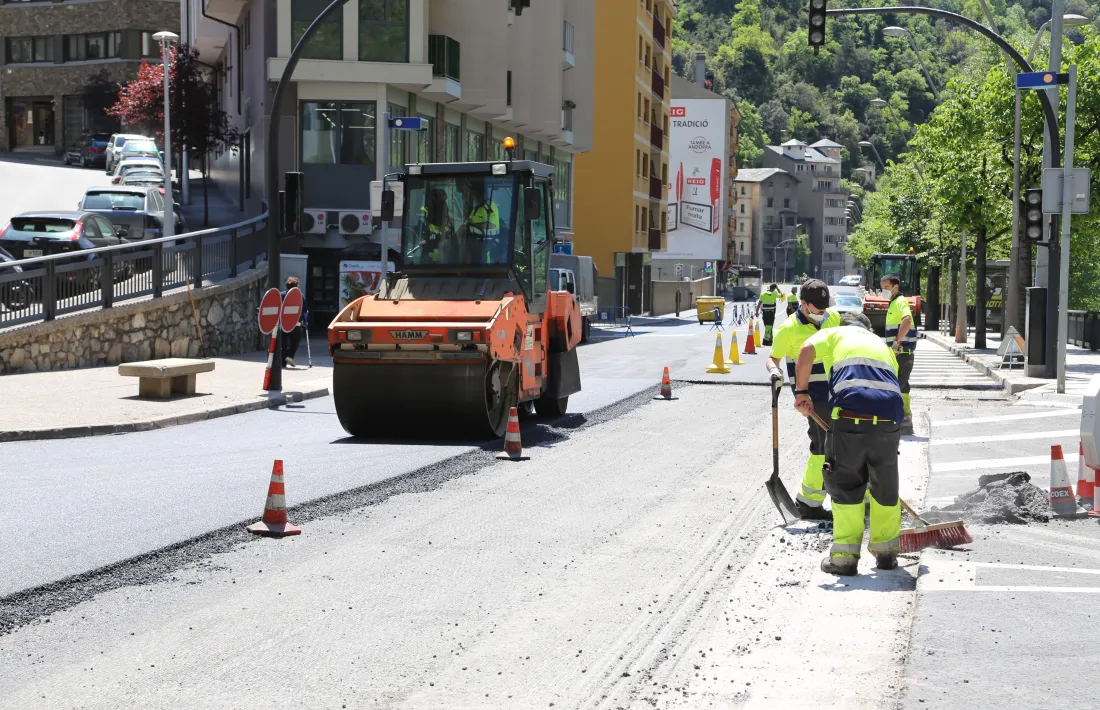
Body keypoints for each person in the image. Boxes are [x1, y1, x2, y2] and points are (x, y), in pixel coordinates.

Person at [794, 311, 904, 576]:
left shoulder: (835, 333)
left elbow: (807, 348)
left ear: (844, 325)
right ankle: (887, 552)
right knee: (884, 482)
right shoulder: (882, 346)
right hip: (890, 415)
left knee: (847, 482)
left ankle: (844, 558)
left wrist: (802, 392)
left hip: (851, 413)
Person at [766, 279, 841, 520]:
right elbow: (773, 358)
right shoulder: (788, 329)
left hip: (838, 392)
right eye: (817, 307)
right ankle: (809, 502)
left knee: (842, 443)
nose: (822, 311)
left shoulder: (832, 318)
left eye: (824, 305)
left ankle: (841, 497)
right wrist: (774, 372)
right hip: (811, 397)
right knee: (822, 445)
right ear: (803, 304)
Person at [881, 273, 916, 434]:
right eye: (882, 288)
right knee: (900, 384)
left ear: (896, 286)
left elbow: (907, 320)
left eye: (887, 288)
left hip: (902, 352)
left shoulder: (900, 302)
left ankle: (904, 421)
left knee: (899, 386)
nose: (884, 291)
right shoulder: (894, 303)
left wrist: (896, 342)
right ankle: (903, 420)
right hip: (899, 352)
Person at [281, 276, 305, 368]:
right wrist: (304, 321)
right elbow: (304, 311)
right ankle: (290, 356)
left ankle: (283, 362)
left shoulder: (281, 295)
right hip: (295, 324)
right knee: (295, 340)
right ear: (296, 286)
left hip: (282, 323)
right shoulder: (300, 296)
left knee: (283, 343)